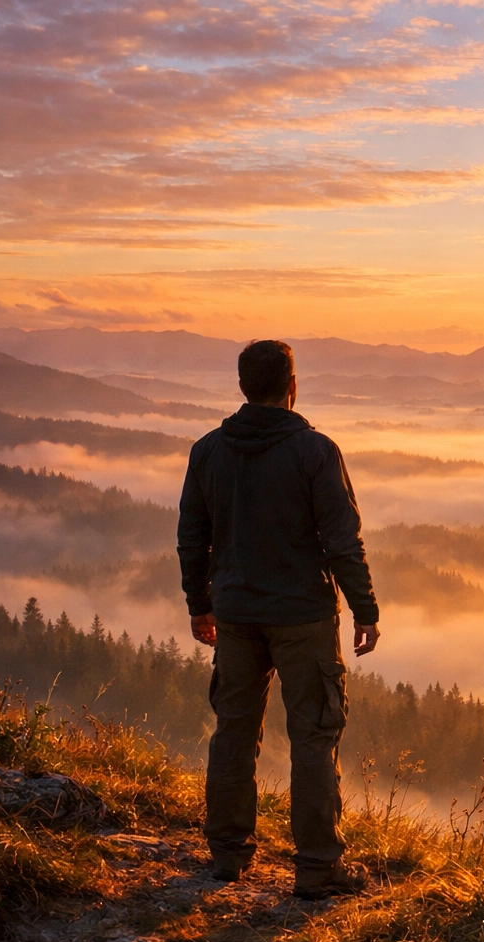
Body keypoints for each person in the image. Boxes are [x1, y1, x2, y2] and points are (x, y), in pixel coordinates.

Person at [177, 339, 381, 899]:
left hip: (236, 614)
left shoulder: (209, 451)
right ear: (293, 385)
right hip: (303, 617)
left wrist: (200, 603)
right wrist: (364, 609)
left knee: (233, 730)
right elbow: (343, 540)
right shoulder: (314, 452)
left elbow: (192, 535)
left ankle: (227, 854)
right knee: (314, 737)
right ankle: (318, 867)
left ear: (243, 386)